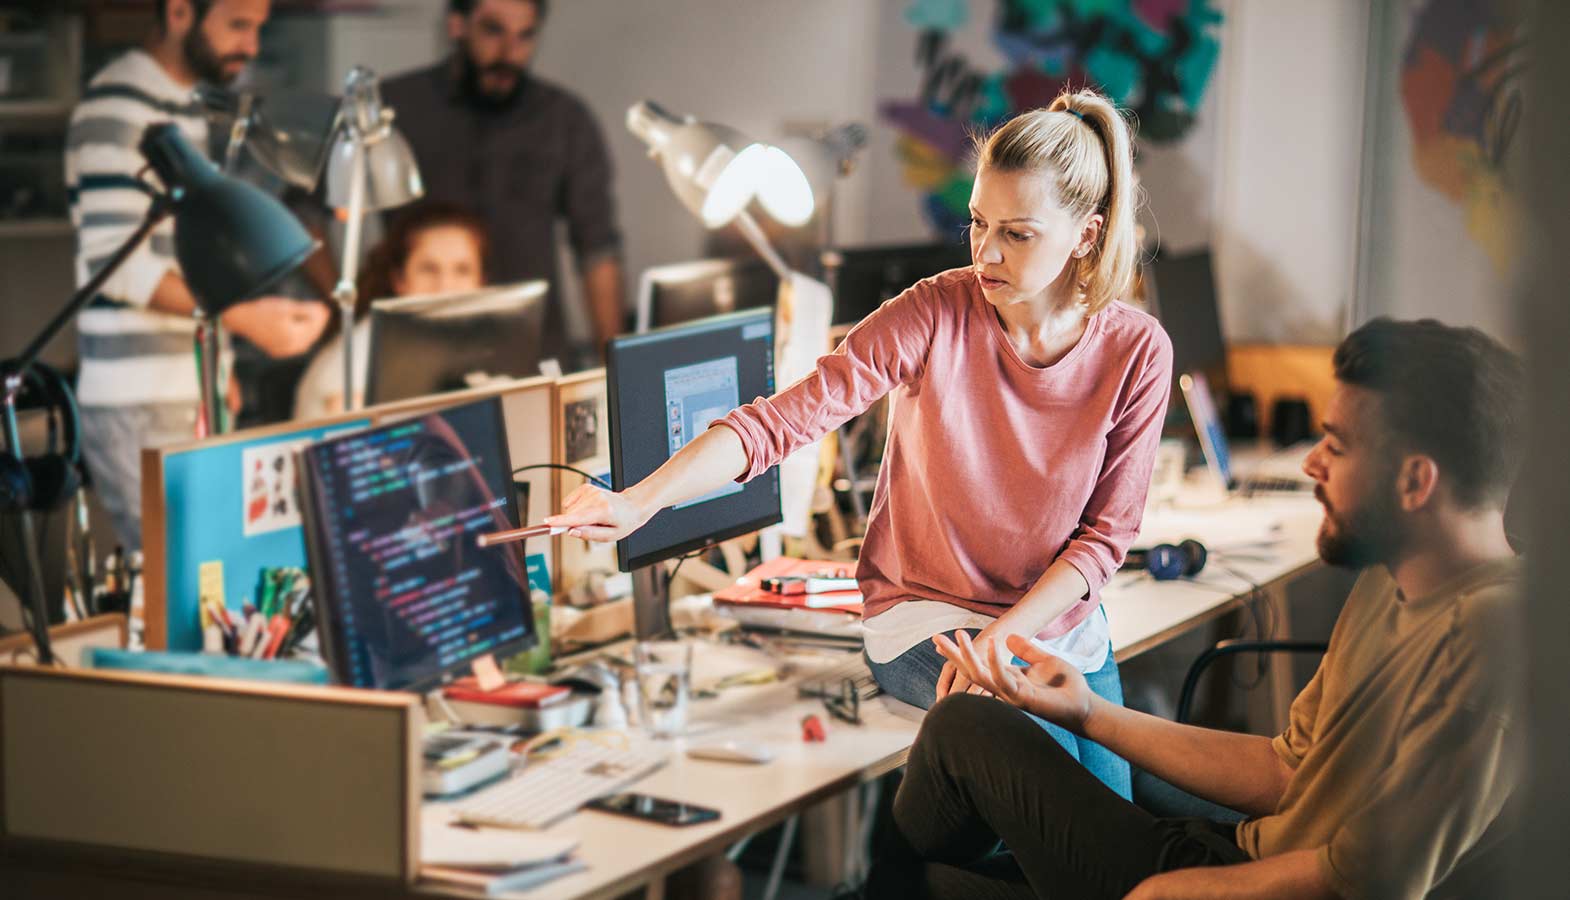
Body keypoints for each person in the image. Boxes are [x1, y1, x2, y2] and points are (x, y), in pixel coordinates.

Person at [548, 89, 1168, 799]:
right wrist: (639, 501)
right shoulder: (936, 310)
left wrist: (1004, 641)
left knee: (1118, 838)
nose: (986, 252)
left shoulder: (1137, 350)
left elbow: (1103, 539)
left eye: (1018, 234)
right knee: (1061, 798)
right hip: (927, 616)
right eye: (977, 223)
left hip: (1055, 629)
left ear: (1086, 236)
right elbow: (781, 422)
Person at [880, 317, 1526, 900]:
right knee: (938, 881)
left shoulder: (1491, 639)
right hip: (1255, 844)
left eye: (1338, 445)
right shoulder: (1394, 576)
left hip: (1263, 882)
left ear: (1416, 482)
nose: (1311, 462)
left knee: (963, 729)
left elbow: (1368, 880)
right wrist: (1086, 711)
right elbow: (1285, 769)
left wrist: (1183, 892)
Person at [65, 0, 328, 551]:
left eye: (259, 27)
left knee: (216, 575)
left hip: (185, 391)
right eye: (237, 25)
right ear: (180, 11)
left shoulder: (181, 106)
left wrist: (214, 365)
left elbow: (189, 257)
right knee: (183, 582)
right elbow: (116, 266)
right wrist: (247, 318)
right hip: (138, 398)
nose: (252, 46)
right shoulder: (119, 105)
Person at [378, 0, 625, 365]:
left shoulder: (563, 119)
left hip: (535, 353)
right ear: (457, 25)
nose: (510, 53)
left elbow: (597, 249)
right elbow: (310, 212)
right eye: (493, 31)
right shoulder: (396, 108)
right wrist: (340, 318)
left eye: (525, 37)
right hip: (419, 354)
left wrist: (613, 368)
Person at [293, 202, 491, 418]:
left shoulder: (466, 345)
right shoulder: (363, 349)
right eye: (428, 269)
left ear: (481, 281)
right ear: (399, 280)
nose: (445, 286)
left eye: (462, 270)